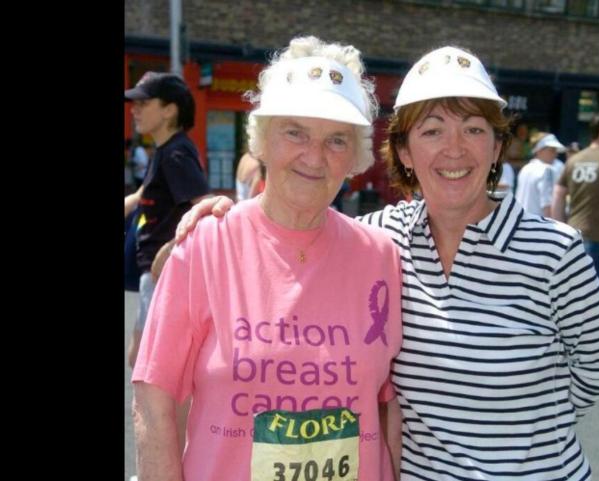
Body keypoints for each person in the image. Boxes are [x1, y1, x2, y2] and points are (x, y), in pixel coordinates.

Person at [177, 45, 599, 481]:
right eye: (432, 131)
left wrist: (529, 427)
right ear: (404, 151)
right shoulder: (380, 239)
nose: (454, 149)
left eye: (474, 130)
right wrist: (225, 218)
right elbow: (297, 229)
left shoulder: (554, 251)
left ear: (498, 146)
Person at [131, 36, 403, 481]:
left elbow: (389, 405)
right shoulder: (205, 247)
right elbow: (155, 397)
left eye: (337, 140)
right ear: (263, 139)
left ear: (355, 155)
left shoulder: (381, 256)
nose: (314, 157)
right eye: (295, 132)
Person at [123, 71, 212, 369]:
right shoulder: (163, 151)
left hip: (165, 273)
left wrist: (173, 245)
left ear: (170, 109)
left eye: (144, 103)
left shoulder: (175, 154)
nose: (134, 109)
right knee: (142, 359)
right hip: (153, 273)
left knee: (150, 364)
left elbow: (207, 209)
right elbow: (139, 196)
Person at [552, 111, 599, 292]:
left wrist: (559, 228)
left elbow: (558, 195)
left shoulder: (574, 160)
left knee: (572, 291)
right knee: (597, 295)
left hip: (573, 235)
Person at [515, 132, 567, 217]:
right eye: (552, 150)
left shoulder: (525, 168)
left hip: (521, 223)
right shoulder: (547, 170)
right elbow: (547, 205)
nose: (555, 154)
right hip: (538, 226)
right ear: (539, 150)